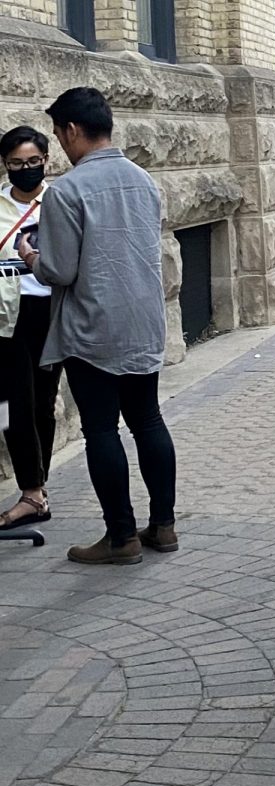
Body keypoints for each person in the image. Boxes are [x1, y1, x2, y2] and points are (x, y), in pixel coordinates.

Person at [17, 88, 177, 566]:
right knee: (147, 418)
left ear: (70, 131)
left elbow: (61, 271)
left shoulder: (68, 189)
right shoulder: (144, 180)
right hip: (144, 321)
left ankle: (121, 536)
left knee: (101, 428)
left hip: (92, 326)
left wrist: (32, 257)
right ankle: (164, 526)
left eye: (58, 134)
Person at [0, 126, 60, 532]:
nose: (25, 170)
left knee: (41, 403)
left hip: (49, 311)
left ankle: (36, 490)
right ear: (5, 166)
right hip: (5, 314)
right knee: (8, 406)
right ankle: (32, 491)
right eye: (16, 164)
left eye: (32, 163)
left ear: (45, 161)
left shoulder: (57, 203)